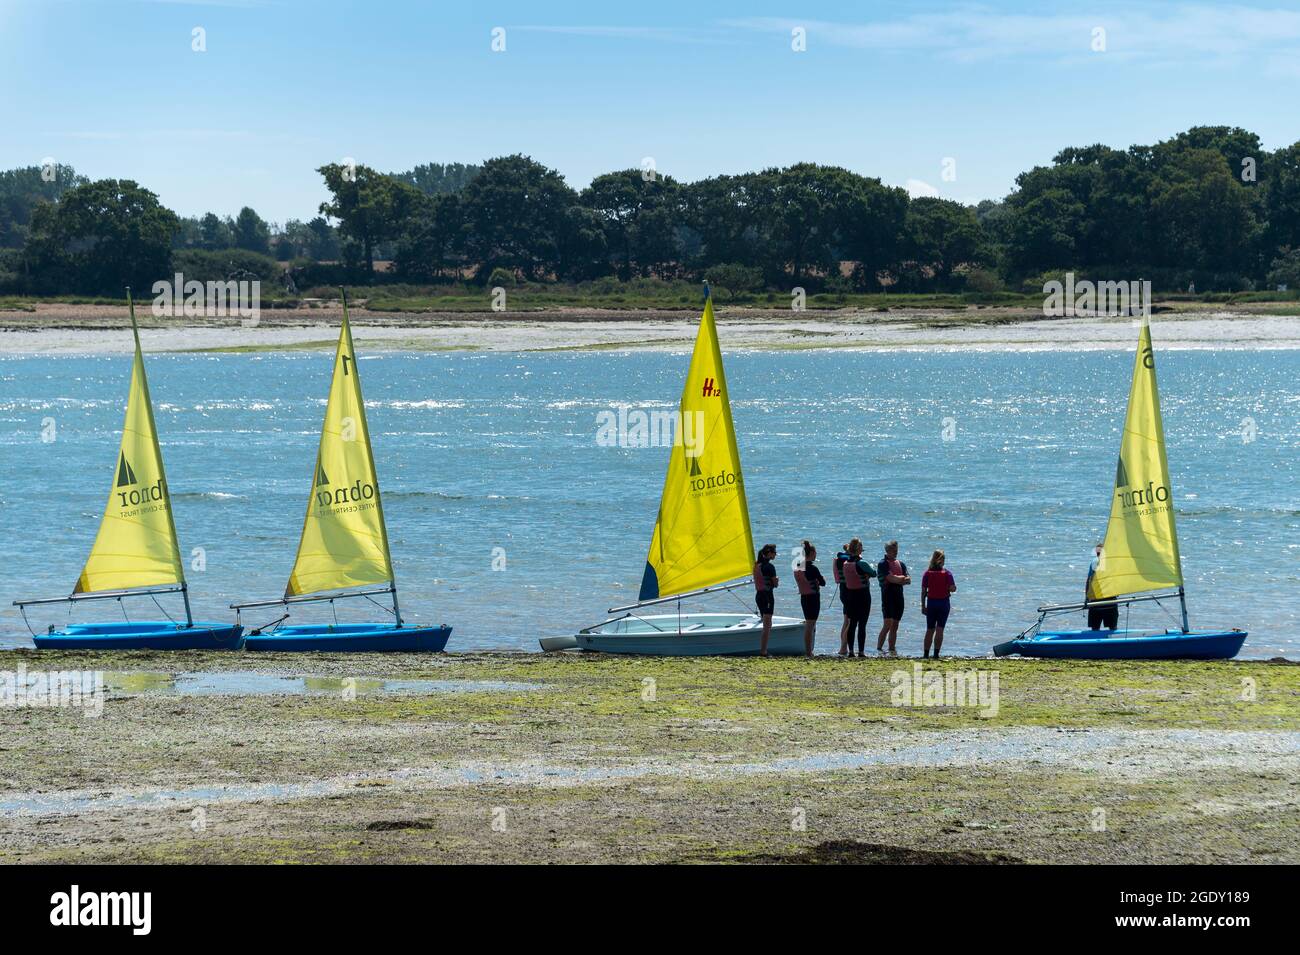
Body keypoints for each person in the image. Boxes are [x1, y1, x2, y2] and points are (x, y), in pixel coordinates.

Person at [840, 538, 876, 656]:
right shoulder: (862, 563)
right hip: (863, 595)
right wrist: (867, 574)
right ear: (859, 550)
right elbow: (874, 573)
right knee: (862, 624)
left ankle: (850, 651)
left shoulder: (845, 564)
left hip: (850, 596)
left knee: (851, 624)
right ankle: (861, 651)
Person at [876, 540, 910, 654]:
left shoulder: (901, 563)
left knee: (895, 624)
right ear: (887, 551)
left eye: (896, 550)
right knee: (887, 624)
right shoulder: (882, 563)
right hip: (887, 596)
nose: (895, 552)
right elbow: (890, 579)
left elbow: (908, 580)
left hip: (899, 596)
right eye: (893, 550)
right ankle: (879, 648)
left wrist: (897, 578)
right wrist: (900, 579)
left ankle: (891, 649)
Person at [793, 540, 827, 658]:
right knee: (810, 625)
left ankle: (809, 650)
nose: (816, 554)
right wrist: (820, 579)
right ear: (811, 553)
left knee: (809, 623)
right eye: (815, 552)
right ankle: (808, 652)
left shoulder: (798, 567)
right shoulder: (813, 568)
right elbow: (823, 583)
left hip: (804, 598)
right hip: (813, 598)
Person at [920, 549, 956, 658]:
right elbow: (953, 588)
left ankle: (926, 654)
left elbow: (923, 592)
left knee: (930, 629)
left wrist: (923, 606)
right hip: (943, 604)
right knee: (940, 629)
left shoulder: (927, 573)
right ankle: (936, 654)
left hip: (931, 603)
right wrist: (950, 588)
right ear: (942, 560)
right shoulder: (947, 573)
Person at [753, 543, 779, 656]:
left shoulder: (757, 565)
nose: (776, 555)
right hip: (767, 596)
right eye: (774, 552)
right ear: (769, 553)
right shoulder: (770, 567)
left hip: (759, 596)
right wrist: (776, 580)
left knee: (766, 623)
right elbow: (775, 584)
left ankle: (764, 648)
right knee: (767, 625)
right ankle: (763, 651)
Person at [1085, 543, 1118, 631]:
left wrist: (1087, 598)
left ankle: (1095, 643)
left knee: (1095, 628)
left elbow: (1089, 581)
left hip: (1095, 601)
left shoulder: (1094, 561)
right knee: (1112, 628)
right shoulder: (1111, 563)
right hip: (1110, 601)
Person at [833, 543, 853, 656]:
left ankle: (844, 647)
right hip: (848, 591)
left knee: (846, 620)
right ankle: (843, 647)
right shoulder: (845, 559)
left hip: (843, 590)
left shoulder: (840, 559)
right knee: (849, 621)